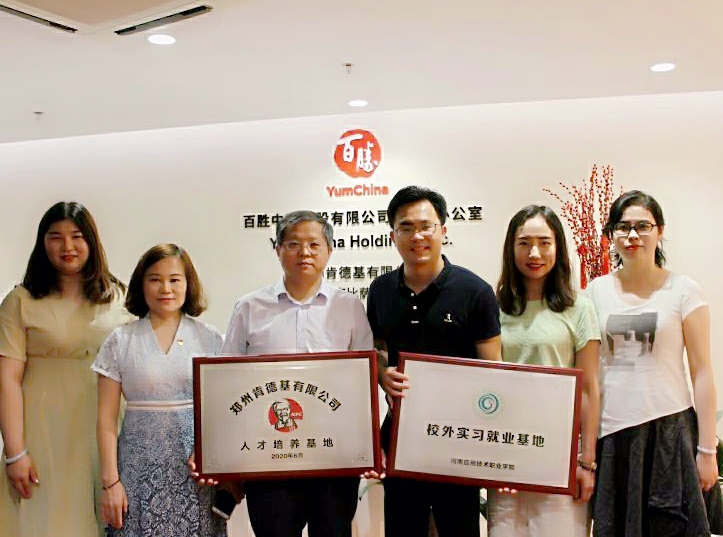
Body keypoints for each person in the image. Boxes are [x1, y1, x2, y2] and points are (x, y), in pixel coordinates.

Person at [219, 210, 373, 537]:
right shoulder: (249, 307)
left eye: (314, 244)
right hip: (268, 455)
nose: (304, 252)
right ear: (277, 249)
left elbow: (363, 381)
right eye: (293, 244)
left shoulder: (349, 307)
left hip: (333, 455)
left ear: (329, 251)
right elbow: (226, 380)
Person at [585, 190, 723, 536]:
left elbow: (702, 371)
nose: (632, 235)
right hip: (613, 433)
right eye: (623, 227)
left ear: (659, 231)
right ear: (611, 234)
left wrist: (707, 450)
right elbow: (588, 371)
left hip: (669, 431)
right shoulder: (595, 292)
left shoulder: (684, 290)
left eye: (643, 226)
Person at [366, 186, 501, 537]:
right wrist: (382, 374)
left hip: (459, 440)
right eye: (406, 227)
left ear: (443, 230)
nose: (417, 236)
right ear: (393, 235)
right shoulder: (380, 290)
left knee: (459, 527)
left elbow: (494, 371)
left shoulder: (476, 292)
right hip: (401, 437)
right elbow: (379, 349)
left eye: (426, 226)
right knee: (402, 528)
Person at [0, 202, 130, 536]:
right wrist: (15, 453)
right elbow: (7, 380)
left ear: (92, 241)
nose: (67, 246)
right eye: (55, 237)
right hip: (43, 429)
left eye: (76, 236)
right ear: (42, 243)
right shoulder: (19, 301)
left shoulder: (119, 297)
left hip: (107, 427)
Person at [93, 243, 227, 535]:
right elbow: (105, 421)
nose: (165, 288)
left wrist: (212, 455)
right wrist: (110, 482)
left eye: (174, 279)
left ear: (188, 284)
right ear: (141, 285)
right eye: (155, 279)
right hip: (136, 471)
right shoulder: (120, 341)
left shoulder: (211, 339)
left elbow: (224, 411)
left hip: (195, 471)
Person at [486, 205, 600, 536]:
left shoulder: (579, 308)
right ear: (511, 248)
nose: (534, 253)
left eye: (544, 243)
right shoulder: (493, 307)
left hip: (559, 456)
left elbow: (589, 389)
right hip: (506, 453)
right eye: (524, 243)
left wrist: (585, 461)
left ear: (558, 247)